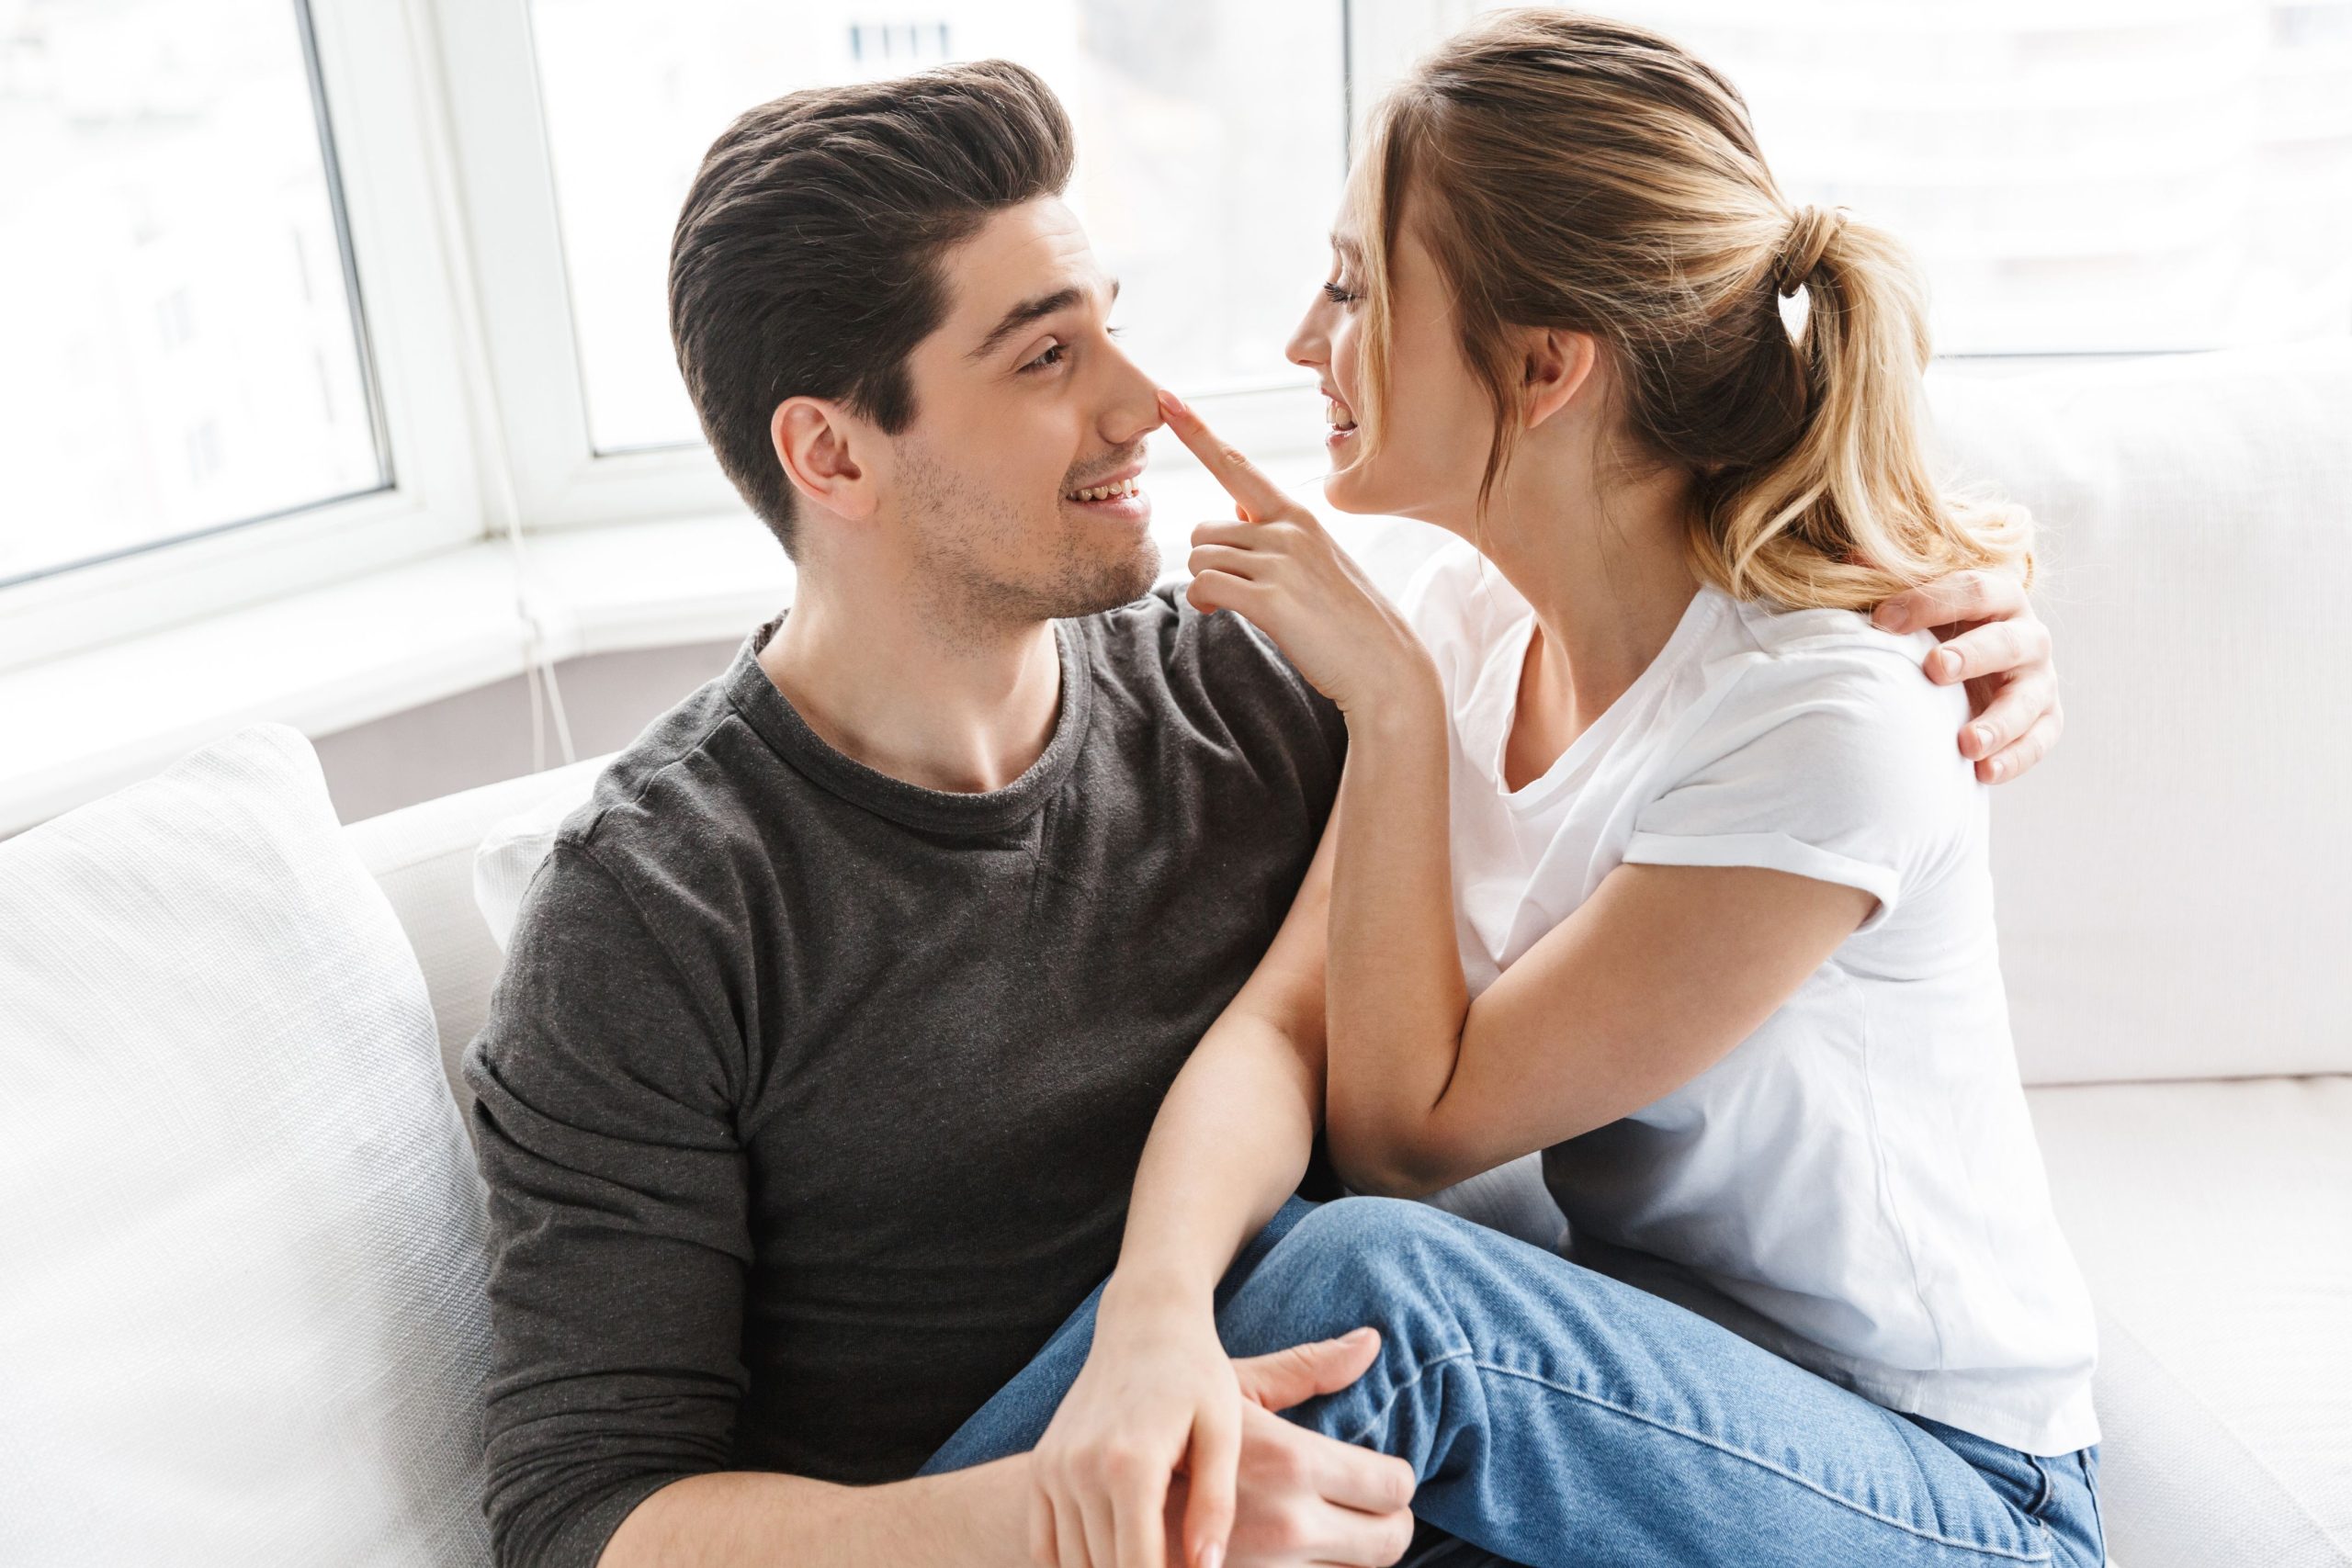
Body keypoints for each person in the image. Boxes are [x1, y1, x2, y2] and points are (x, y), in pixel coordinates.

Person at [459, 51, 2068, 1568]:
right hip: (1195, 1509)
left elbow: (1405, 1135)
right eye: (1046, 355)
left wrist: (1960, 626)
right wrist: (1047, 1509)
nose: (1146, 403)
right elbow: (581, 1519)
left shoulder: (1268, 700)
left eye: (1112, 324)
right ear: (830, 450)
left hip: (1724, 1460)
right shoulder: (658, 913)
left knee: (1373, 1293)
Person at [944, 12, 2103, 1568]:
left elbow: (1407, 1134)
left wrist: (1398, 720)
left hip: (1947, 1489)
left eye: (1355, 289)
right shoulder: (1469, 620)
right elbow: (1288, 1034)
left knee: (1382, 1305)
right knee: (1257, 1301)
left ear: (1548, 364)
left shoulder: (1821, 723)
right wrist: (1153, 1311)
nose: (1304, 338)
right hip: (1648, 1395)